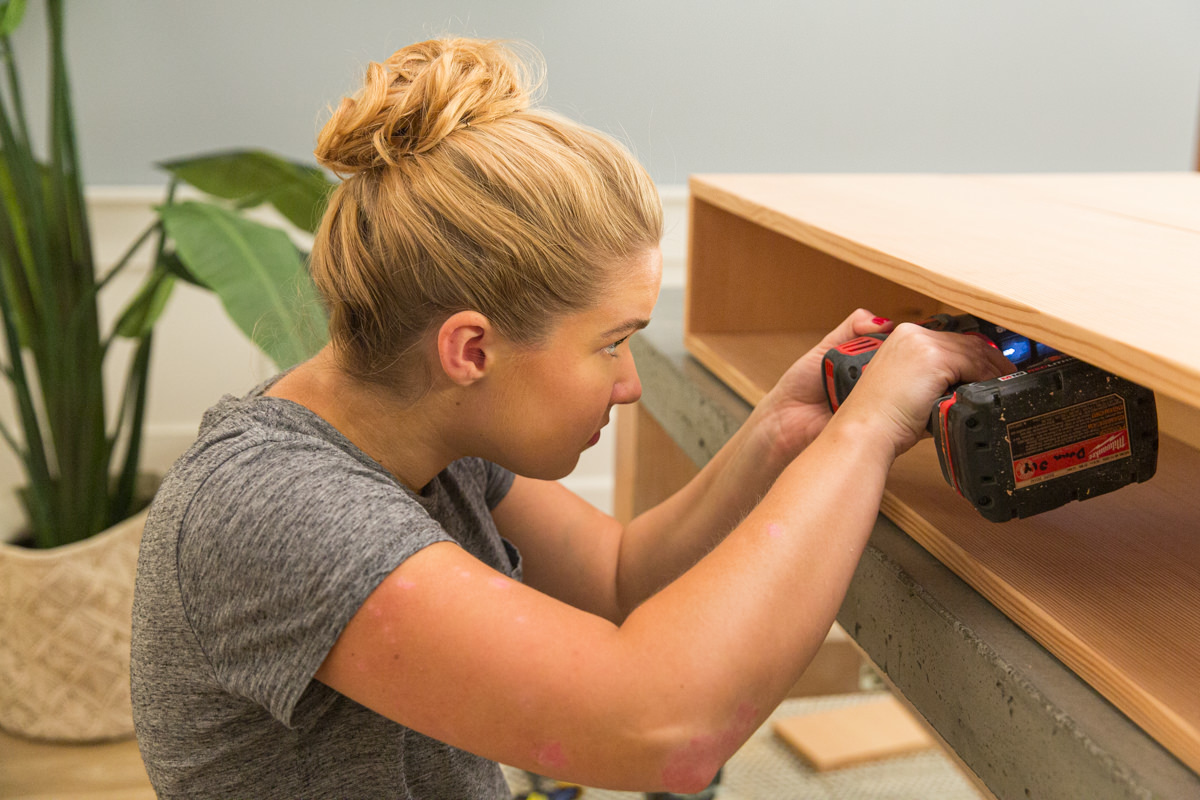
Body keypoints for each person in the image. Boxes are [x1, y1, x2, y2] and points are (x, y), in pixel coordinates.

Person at [130, 37, 1012, 799]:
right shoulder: (275, 509)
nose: (630, 383)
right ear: (469, 351)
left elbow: (622, 577)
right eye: (611, 343)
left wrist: (779, 431)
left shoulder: (420, 428)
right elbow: (667, 729)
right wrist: (866, 433)